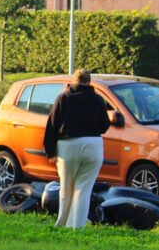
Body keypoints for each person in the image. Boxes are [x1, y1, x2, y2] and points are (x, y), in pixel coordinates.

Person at [43, 69, 110, 229]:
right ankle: (78, 227)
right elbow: (104, 126)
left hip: (68, 146)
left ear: (74, 81)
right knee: (83, 190)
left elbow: (52, 126)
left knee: (66, 188)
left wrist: (50, 151)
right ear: (89, 82)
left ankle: (62, 224)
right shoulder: (98, 100)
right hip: (93, 145)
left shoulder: (63, 98)